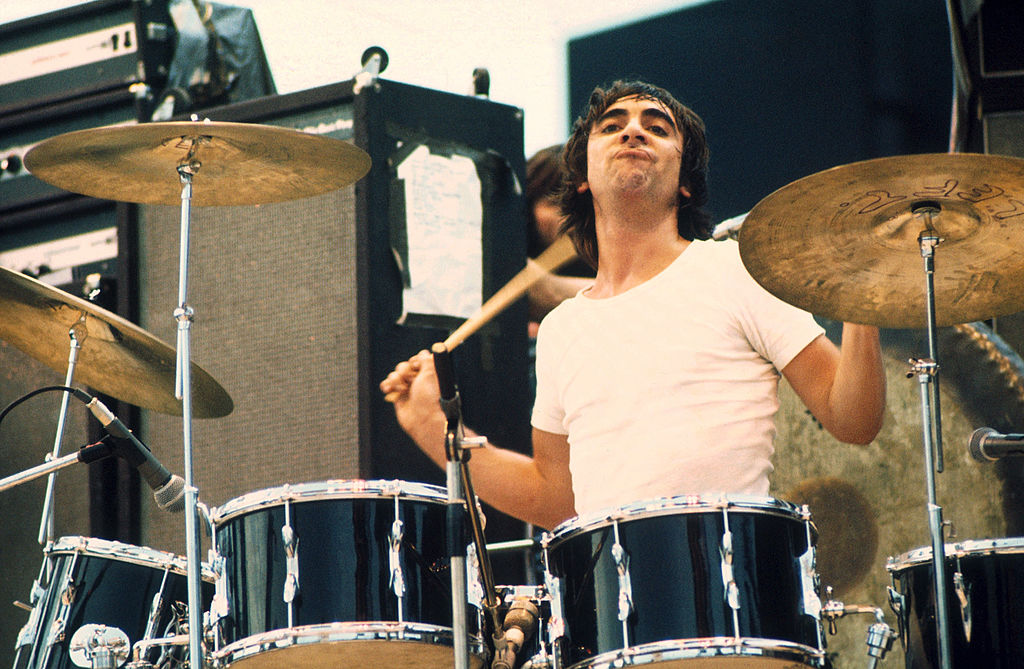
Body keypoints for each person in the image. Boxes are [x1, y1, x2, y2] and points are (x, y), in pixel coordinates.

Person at [380, 80, 885, 532]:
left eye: (657, 127)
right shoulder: (563, 329)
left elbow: (853, 418)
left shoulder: (735, 270)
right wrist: (436, 430)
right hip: (617, 621)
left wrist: (863, 295)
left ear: (685, 182)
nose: (633, 132)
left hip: (732, 603)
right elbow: (557, 499)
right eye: (612, 126)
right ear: (581, 178)